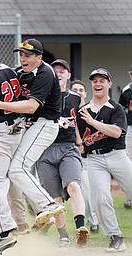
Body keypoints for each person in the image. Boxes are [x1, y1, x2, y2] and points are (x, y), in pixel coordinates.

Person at [0, 34, 65, 256]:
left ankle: (33, 214)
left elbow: (30, 107)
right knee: (11, 175)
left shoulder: (44, 73)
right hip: (21, 128)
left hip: (42, 124)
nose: (23, 58)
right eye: (21, 54)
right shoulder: (13, 72)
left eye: (28, 55)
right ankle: (19, 224)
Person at [76, 67, 132, 253]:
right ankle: (115, 237)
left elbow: (116, 132)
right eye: (94, 81)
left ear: (109, 83)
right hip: (94, 159)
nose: (98, 84)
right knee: (100, 197)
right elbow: (80, 138)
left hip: (117, 155)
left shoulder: (115, 109)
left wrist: (93, 122)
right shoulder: (82, 111)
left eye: (102, 80)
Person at [36, 59, 89, 249]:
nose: (58, 73)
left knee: (74, 186)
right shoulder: (42, 96)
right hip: (45, 149)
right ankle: (63, 236)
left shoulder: (75, 98)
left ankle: (81, 229)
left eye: (62, 71)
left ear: (68, 75)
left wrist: (79, 141)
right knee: (55, 200)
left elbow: (77, 122)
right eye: (55, 70)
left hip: (67, 147)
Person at [70, 80, 99, 234]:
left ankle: (93, 222)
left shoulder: (90, 111)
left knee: (87, 191)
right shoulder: (66, 108)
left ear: (85, 93)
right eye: (75, 89)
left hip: (86, 157)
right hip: (68, 154)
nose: (79, 92)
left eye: (81, 89)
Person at [118, 64, 132, 209]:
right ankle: (130, 198)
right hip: (130, 129)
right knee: (129, 162)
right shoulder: (126, 91)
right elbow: (121, 111)